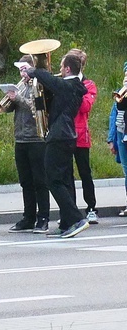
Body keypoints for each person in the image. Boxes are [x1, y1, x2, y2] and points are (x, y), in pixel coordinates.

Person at [22, 53, 89, 238]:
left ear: (67, 69)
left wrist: (33, 71)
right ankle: (66, 223)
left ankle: (76, 219)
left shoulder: (71, 86)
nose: (59, 70)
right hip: (65, 136)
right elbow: (48, 100)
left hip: (60, 137)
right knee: (65, 180)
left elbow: (53, 82)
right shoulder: (72, 87)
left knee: (53, 180)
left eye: (61, 67)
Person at [2, 55, 51, 234]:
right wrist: (8, 101)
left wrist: (19, 99)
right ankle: (28, 217)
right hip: (20, 139)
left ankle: (43, 218)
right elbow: (11, 108)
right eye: (20, 70)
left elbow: (37, 108)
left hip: (36, 139)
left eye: (24, 69)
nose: (22, 73)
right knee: (26, 181)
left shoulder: (40, 85)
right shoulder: (20, 85)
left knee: (40, 180)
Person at [68, 48, 98, 223]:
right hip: (65, 133)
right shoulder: (63, 82)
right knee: (66, 174)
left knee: (84, 172)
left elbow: (85, 106)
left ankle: (91, 207)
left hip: (80, 134)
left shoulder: (88, 84)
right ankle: (70, 210)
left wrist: (72, 88)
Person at [108, 62, 127, 216]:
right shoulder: (122, 94)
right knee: (126, 171)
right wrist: (111, 139)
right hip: (122, 134)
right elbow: (113, 117)